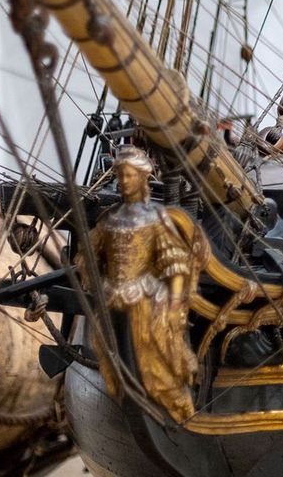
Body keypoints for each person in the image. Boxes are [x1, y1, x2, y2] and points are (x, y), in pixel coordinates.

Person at [81, 145, 208, 423]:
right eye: (121, 176)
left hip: (146, 300)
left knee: (154, 362)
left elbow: (175, 264)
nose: (124, 182)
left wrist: (175, 304)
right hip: (112, 298)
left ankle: (178, 408)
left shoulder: (156, 220)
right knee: (111, 358)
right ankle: (130, 398)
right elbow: (91, 256)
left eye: (130, 176)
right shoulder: (109, 219)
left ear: (143, 178)